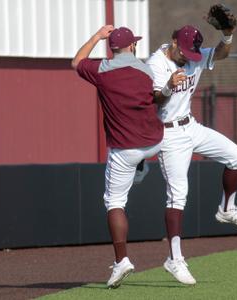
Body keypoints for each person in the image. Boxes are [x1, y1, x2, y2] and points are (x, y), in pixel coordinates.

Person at [145, 24, 237, 285]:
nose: (188, 57)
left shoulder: (192, 54)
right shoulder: (157, 64)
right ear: (173, 42)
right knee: (178, 195)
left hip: (190, 126)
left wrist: (227, 35)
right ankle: (174, 259)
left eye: (191, 52)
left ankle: (227, 209)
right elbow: (154, 101)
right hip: (169, 134)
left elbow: (221, 53)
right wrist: (167, 88)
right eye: (184, 51)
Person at [71, 25, 164, 289]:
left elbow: (76, 62)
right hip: (155, 142)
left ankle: (122, 260)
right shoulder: (146, 69)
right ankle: (141, 168)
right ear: (132, 46)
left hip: (125, 149)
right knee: (140, 155)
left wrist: (96, 36)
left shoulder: (102, 70)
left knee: (114, 202)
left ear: (111, 48)